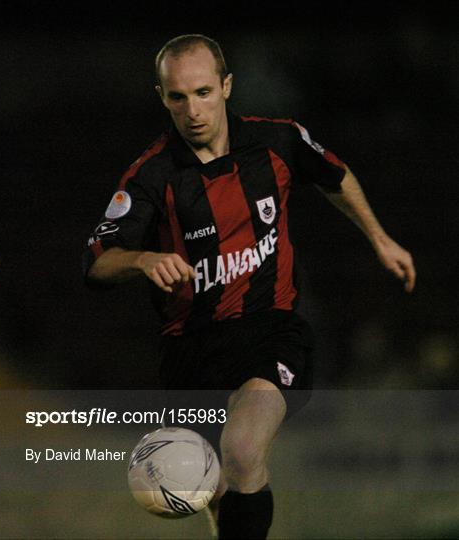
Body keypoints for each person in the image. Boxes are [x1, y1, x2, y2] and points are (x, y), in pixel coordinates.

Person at [83, 34, 416, 539]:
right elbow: (98, 264)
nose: (192, 109)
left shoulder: (276, 140)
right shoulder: (150, 176)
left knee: (241, 451)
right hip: (190, 348)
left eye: (203, 92)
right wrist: (143, 258)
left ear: (227, 86)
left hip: (272, 330)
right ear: (162, 96)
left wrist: (379, 237)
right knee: (210, 489)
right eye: (178, 97)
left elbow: (335, 175)